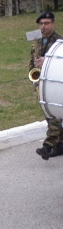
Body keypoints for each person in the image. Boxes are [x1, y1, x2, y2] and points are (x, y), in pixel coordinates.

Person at [30, 11, 63, 160]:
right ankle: (60, 144)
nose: (43, 26)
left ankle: (49, 146)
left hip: (54, 83)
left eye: (46, 23)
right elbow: (32, 59)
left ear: (53, 24)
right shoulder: (37, 40)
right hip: (41, 83)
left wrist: (48, 61)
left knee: (54, 115)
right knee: (49, 114)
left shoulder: (59, 42)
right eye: (41, 23)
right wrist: (33, 76)